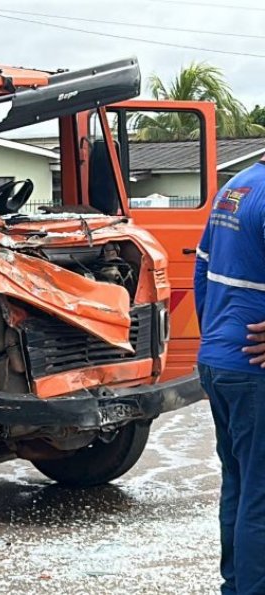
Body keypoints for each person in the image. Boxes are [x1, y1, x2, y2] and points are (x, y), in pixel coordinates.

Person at [195, 158, 265, 595]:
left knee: (238, 486)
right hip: (255, 368)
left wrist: (216, 339)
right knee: (260, 494)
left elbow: (201, 271)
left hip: (220, 361)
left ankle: (236, 587)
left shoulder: (236, 186)